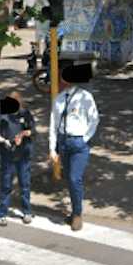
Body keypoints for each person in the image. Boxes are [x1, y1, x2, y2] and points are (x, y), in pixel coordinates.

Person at [48, 62, 98, 231]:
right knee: (70, 179)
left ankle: (77, 214)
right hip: (63, 142)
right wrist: (52, 148)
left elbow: (94, 120)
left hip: (78, 142)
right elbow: (53, 124)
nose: (61, 81)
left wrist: (84, 138)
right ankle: (74, 211)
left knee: (75, 179)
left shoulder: (85, 97)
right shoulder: (59, 99)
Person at [0, 91, 35, 225]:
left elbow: (31, 130)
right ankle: (2, 213)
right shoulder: (3, 117)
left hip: (23, 155)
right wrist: (4, 141)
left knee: (25, 184)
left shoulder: (25, 115)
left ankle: (27, 212)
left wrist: (22, 134)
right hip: (8, 156)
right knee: (6, 185)